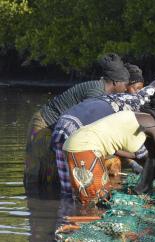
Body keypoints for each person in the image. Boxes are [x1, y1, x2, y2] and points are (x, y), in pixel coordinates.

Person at [62, 90, 155, 204]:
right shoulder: (153, 124)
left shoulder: (144, 119)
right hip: (83, 147)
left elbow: (151, 158)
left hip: (82, 144)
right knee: (93, 201)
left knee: (101, 198)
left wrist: (142, 191)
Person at [24, 53, 130, 187]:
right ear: (116, 82)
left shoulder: (103, 93)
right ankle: (35, 203)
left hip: (58, 129)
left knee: (54, 172)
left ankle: (48, 203)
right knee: (36, 173)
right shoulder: (97, 93)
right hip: (45, 124)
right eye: (125, 85)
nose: (126, 89)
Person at [52, 86, 155, 194]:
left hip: (61, 126)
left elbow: (112, 143)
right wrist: (145, 168)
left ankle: (64, 207)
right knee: (90, 191)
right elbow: (141, 154)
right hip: (78, 135)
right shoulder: (134, 111)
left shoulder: (122, 98)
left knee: (68, 188)